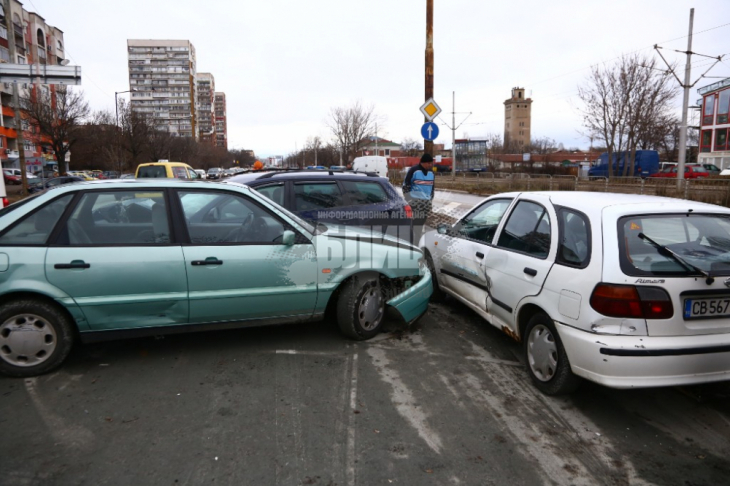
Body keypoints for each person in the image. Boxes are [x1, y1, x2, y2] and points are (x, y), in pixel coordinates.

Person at [402, 153, 435, 243]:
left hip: (426, 203)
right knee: (415, 224)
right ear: (423, 163)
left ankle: (416, 241)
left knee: (420, 224)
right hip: (415, 202)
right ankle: (412, 242)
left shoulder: (431, 173)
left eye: (431, 163)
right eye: (429, 163)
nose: (430, 165)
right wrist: (409, 199)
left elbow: (432, 188)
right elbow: (406, 186)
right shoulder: (414, 170)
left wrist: (430, 199)